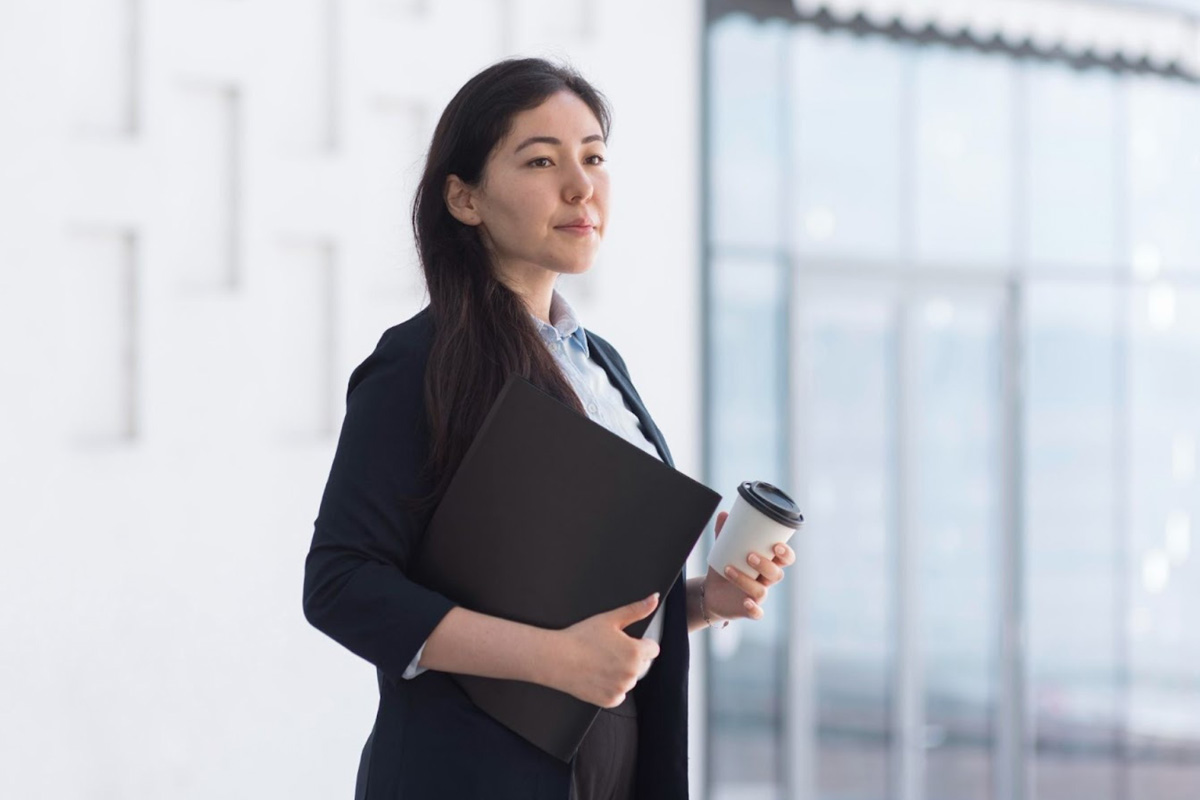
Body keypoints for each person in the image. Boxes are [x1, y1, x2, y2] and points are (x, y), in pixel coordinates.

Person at [301, 57, 796, 800]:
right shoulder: (419, 362)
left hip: (613, 769)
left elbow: (579, 607)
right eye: (541, 160)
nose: (581, 185)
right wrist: (549, 660)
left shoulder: (602, 366)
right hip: (468, 776)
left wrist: (699, 601)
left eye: (594, 157)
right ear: (464, 198)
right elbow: (340, 584)